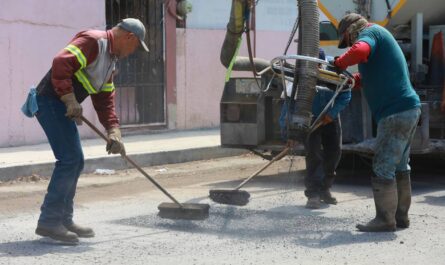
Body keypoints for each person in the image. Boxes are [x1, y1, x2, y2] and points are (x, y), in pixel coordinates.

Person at [23, 18, 149, 244]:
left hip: (62, 106)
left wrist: (113, 131)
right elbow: (61, 62)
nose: (132, 52)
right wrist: (70, 98)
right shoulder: (94, 41)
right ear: (129, 37)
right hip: (49, 101)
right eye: (135, 46)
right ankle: (49, 222)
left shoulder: (110, 61)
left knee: (76, 161)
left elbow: (104, 100)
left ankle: (64, 219)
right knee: (70, 159)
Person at [332, 13, 421, 232]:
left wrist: (339, 63)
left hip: (395, 112)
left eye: (348, 40)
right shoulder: (380, 36)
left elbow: (361, 50)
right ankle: (400, 217)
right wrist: (353, 80)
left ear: (352, 30)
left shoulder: (370, 33)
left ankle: (385, 219)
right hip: (408, 108)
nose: (350, 44)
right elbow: (373, 75)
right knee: (399, 165)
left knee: (383, 165)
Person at [280, 49, 351, 209]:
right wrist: (289, 133)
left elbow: (346, 95)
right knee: (314, 155)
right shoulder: (298, 78)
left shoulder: (334, 72)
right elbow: (288, 108)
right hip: (309, 119)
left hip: (329, 118)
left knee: (334, 152)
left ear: (321, 64)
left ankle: (325, 189)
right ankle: (313, 194)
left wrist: (331, 114)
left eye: (317, 66)